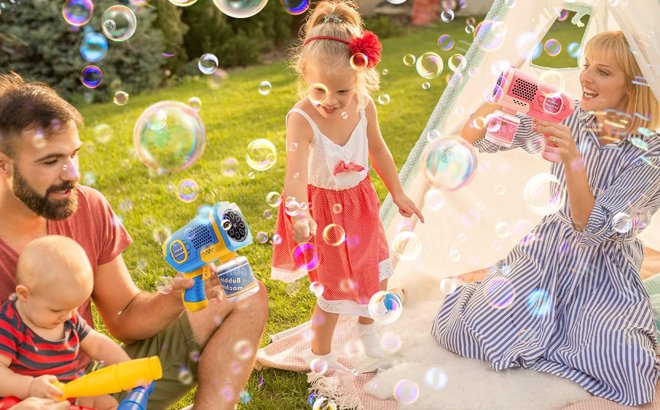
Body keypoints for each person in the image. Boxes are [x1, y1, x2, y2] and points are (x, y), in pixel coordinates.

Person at [0, 71, 269, 410]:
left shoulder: (87, 205)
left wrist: (175, 298)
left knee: (245, 295)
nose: (72, 173)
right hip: (23, 399)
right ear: (4, 165)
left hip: (95, 387)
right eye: (51, 161)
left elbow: (125, 318)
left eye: (73, 154)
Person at [431, 31, 660, 406]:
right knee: (465, 330)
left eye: (603, 71)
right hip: (547, 252)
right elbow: (477, 137)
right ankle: (505, 307)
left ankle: (569, 336)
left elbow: (592, 227)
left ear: (634, 87)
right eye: (586, 65)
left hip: (603, 267)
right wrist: (498, 97)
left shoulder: (652, 151)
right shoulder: (569, 115)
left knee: (628, 365)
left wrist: (573, 160)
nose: (586, 77)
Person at [270, 0, 424, 373]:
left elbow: (378, 149)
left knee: (376, 273)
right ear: (304, 75)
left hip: (360, 202)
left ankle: (371, 340)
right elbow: (295, 175)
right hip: (321, 210)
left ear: (359, 76)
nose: (331, 101)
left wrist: (398, 192)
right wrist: (299, 213)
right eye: (320, 90)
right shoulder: (301, 118)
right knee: (332, 290)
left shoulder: (363, 104)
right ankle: (320, 356)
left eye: (342, 91)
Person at [0, 236, 130, 409]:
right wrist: (29, 387)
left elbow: (98, 345)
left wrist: (127, 367)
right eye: (56, 310)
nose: (68, 316)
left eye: (74, 308)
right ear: (24, 295)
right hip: (22, 400)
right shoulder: (10, 323)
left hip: (68, 394)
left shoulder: (68, 318)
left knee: (106, 403)